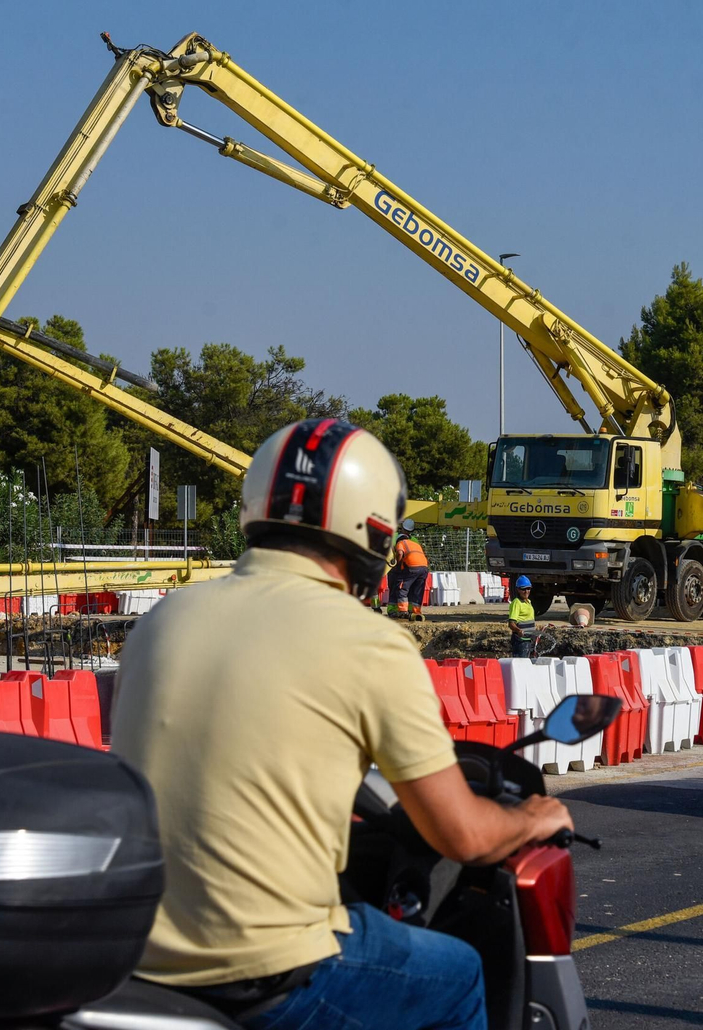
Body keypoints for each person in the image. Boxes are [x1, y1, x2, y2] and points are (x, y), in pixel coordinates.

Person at [111, 418, 573, 1030]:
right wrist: (534, 817)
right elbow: (462, 836)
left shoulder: (162, 621)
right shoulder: (370, 643)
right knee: (460, 973)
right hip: (267, 968)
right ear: (375, 531)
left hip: (135, 954)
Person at [388, 527, 430, 620]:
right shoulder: (415, 544)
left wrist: (398, 565)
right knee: (417, 590)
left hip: (412, 567)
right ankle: (416, 612)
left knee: (402, 588)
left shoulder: (401, 543)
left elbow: (400, 553)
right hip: (424, 568)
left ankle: (403, 611)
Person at [508, 576, 536, 658]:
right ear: (518, 590)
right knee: (520, 662)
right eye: (523, 589)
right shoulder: (516, 603)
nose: (526, 591)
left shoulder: (528, 602)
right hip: (520, 641)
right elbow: (511, 624)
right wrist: (518, 630)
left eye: (528, 588)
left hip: (529, 640)